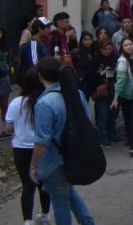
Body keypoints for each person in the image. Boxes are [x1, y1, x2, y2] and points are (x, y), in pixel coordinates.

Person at [30, 57, 95, 225]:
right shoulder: (77, 94)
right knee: (69, 193)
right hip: (74, 154)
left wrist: (33, 165)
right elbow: (87, 121)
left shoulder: (44, 103)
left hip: (54, 160)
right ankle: (88, 222)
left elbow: (42, 140)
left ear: (40, 76)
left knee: (60, 201)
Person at [5, 68, 51, 224]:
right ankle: (45, 215)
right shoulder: (44, 101)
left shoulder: (16, 103)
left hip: (21, 148)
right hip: (41, 147)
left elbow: (9, 127)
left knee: (27, 185)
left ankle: (27, 220)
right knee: (43, 183)